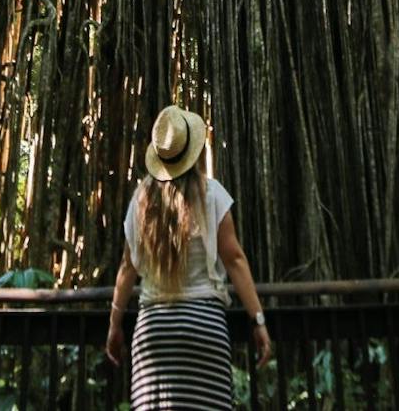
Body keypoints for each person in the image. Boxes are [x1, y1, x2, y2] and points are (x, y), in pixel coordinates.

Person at [105, 104, 273, 407]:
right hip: (204, 327)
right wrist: (258, 319)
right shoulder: (213, 194)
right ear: (193, 152)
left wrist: (114, 325)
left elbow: (127, 267)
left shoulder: (141, 200)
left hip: (154, 331)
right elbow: (234, 258)